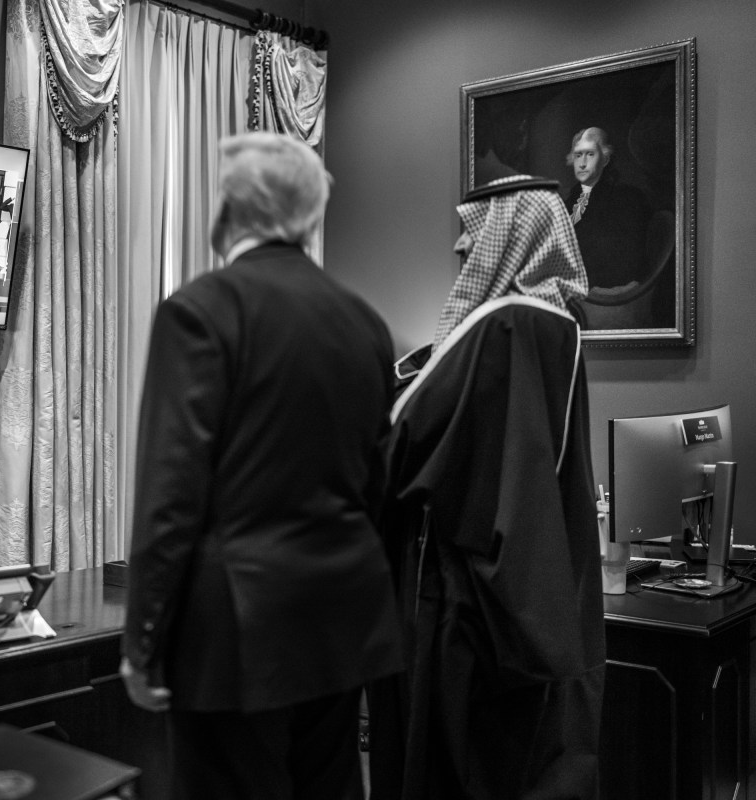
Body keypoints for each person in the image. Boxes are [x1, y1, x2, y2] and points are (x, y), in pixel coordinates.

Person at [120, 132, 404, 799]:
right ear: (308, 216)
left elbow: (170, 497)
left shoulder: (199, 311)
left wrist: (143, 642)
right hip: (343, 621)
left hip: (237, 635)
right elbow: (375, 484)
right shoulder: (365, 323)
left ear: (229, 209)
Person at [369, 176, 605, 800]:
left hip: (457, 591)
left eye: (475, 240)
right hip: (526, 591)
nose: (464, 253)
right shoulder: (559, 326)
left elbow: (407, 436)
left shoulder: (501, 324)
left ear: (510, 234)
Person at [564, 127, 652, 296]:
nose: (582, 163)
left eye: (590, 154)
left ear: (605, 159)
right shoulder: (575, 197)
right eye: (577, 155)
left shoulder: (627, 199)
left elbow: (622, 264)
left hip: (610, 295)